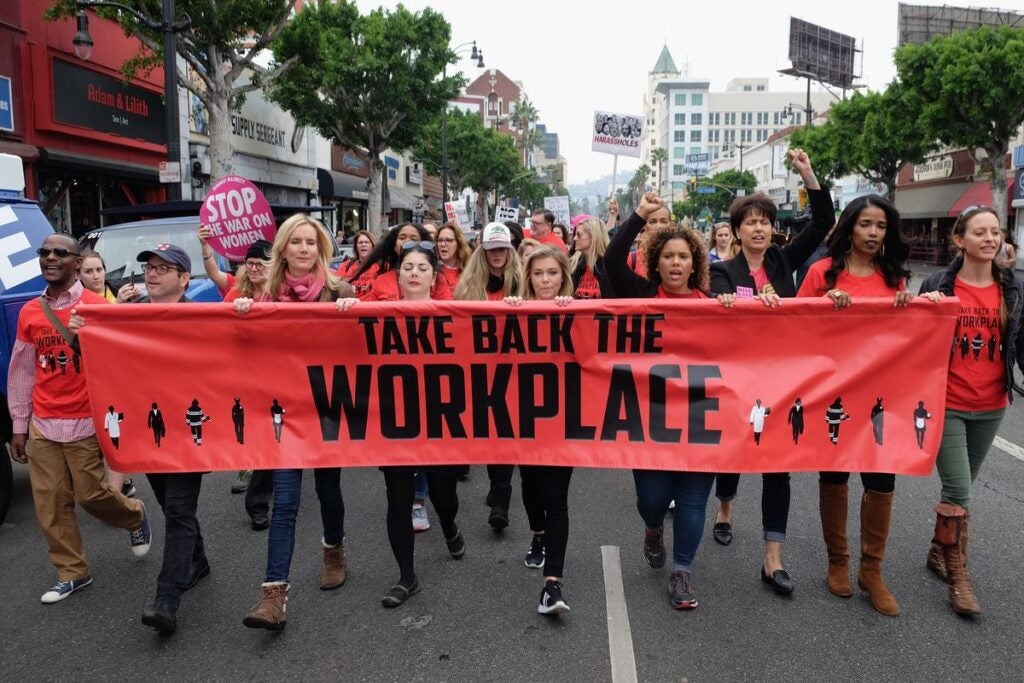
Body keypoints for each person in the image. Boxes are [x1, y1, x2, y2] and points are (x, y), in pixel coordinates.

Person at [708, 148, 831, 595]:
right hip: (737, 380)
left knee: (777, 464)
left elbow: (821, 223)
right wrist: (737, 305)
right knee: (735, 453)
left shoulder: (783, 262)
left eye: (765, 221)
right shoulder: (721, 271)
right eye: (750, 222)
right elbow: (720, 319)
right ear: (737, 232)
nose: (759, 228)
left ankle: (772, 558)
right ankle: (724, 507)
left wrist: (808, 174)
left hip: (782, 380)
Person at [9, 234, 150, 605]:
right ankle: (72, 572)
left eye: (60, 252)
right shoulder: (29, 312)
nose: (50, 257)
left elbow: (125, 362)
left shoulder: (97, 307)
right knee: (50, 502)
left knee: (90, 495)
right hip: (44, 421)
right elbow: (22, 371)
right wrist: (18, 425)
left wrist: (89, 335)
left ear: (76, 262)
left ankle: (134, 515)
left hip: (86, 419)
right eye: (45, 252)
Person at [795, 193, 913, 617]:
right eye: (865, 224)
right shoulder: (820, 274)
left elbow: (908, 336)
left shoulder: (893, 277)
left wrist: (911, 308)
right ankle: (838, 562)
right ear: (850, 227)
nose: (873, 233)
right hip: (835, 394)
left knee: (882, 481)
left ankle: (872, 571)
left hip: (883, 396)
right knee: (835, 475)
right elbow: (795, 334)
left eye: (880, 226)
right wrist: (824, 310)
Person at [605, 191, 723, 609]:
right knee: (653, 499)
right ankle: (653, 528)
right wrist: (638, 215)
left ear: (696, 263)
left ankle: (683, 572)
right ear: (656, 262)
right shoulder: (638, 296)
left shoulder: (715, 306)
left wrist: (752, 307)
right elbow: (611, 259)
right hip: (648, 417)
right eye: (668, 256)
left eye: (684, 256)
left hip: (700, 417)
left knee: (693, 500)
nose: (676, 263)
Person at [335, 241, 466, 607]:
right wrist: (344, 306)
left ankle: (450, 525)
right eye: (407, 267)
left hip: (439, 419)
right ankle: (406, 576)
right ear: (397, 273)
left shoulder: (453, 313)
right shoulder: (376, 312)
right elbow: (344, 335)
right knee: (398, 498)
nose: (413, 273)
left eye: (422, 268)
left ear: (433, 276)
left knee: (443, 494)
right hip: (394, 419)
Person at [236, 214, 350, 631]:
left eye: (310, 242)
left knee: (327, 489)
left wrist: (354, 313)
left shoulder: (340, 290)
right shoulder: (261, 294)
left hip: (324, 407)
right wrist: (244, 316)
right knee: (285, 501)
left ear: (320, 248)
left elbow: (359, 346)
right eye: (296, 242)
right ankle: (273, 595)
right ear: (282, 248)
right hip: (282, 410)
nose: (303, 248)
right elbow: (241, 347)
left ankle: (334, 549)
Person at [919, 204, 1024, 616]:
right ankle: (959, 579)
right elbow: (915, 338)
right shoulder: (940, 284)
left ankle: (937, 550)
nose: (990, 239)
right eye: (979, 232)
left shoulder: (1011, 289)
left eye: (995, 232)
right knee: (960, 492)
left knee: (958, 494)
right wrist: (922, 306)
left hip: (992, 405)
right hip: (948, 403)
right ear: (959, 240)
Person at [505, 246, 575, 615]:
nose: (545, 280)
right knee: (530, 489)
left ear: (563, 275)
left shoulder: (579, 310)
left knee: (556, 497)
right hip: (524, 419)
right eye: (538, 274)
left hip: (564, 420)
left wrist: (575, 313)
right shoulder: (512, 309)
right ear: (528, 277)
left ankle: (553, 585)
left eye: (552, 273)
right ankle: (539, 534)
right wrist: (509, 314)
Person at [453, 223, 524, 530]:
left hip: (515, 372)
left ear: (510, 251)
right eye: (492, 249)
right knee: (490, 435)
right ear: (483, 252)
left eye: (502, 249)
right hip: (481, 372)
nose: (497, 254)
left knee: (506, 434)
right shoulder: (467, 288)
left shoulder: (523, 283)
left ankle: (501, 500)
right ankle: (497, 486)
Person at [79, 250, 133, 495]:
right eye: (88, 272)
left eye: (99, 270)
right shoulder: (77, 302)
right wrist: (118, 306)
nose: (95, 276)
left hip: (120, 373)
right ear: (78, 275)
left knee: (116, 428)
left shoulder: (118, 290)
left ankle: (117, 487)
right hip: (92, 376)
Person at [354, 223, 452, 301]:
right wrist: (352, 303)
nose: (407, 242)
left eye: (413, 239)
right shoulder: (381, 281)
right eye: (402, 238)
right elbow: (368, 314)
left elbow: (448, 312)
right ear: (394, 245)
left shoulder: (438, 279)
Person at [570, 217, 613, 299]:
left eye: (579, 234)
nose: (574, 238)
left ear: (593, 237)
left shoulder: (609, 267)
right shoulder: (573, 265)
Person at [336, 230, 378, 298]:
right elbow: (335, 285)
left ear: (372, 246)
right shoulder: (347, 265)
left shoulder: (381, 266)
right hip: (350, 306)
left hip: (373, 307)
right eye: (360, 242)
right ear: (356, 246)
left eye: (366, 242)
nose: (363, 245)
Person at [435, 222, 472, 292]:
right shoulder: (431, 270)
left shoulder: (470, 271)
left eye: (448, 240)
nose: (443, 244)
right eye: (440, 240)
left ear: (459, 243)